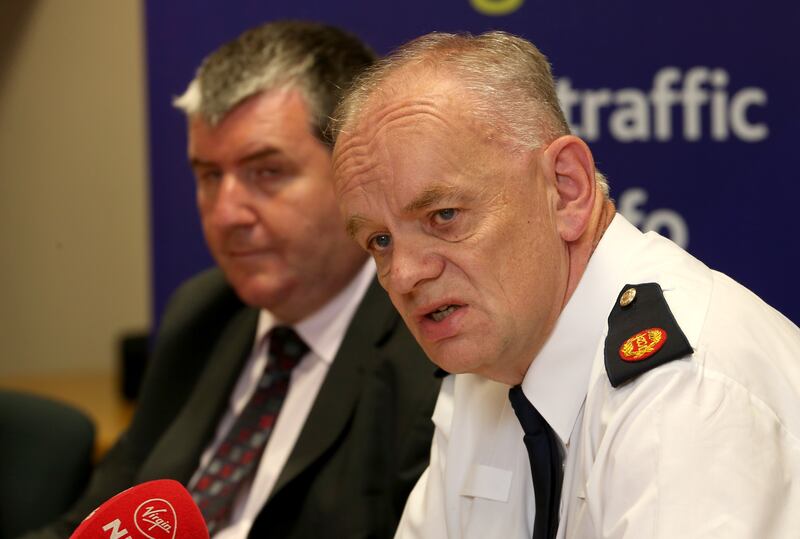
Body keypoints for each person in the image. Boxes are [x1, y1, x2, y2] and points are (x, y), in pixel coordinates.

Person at [331, 30, 800, 539]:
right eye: (379, 240)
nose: (403, 273)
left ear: (566, 189)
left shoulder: (684, 390)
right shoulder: (485, 375)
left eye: (443, 215)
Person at [25, 21, 439, 539]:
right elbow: (99, 511)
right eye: (208, 176)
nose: (225, 214)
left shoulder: (429, 351)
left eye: (266, 172)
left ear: (355, 175)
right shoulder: (204, 312)